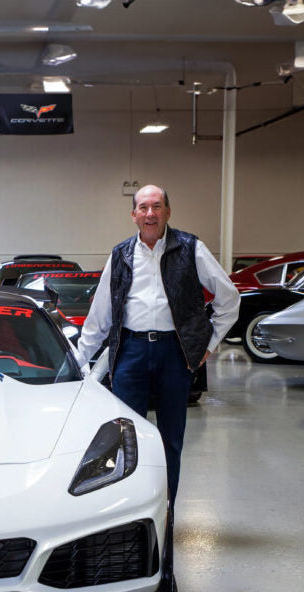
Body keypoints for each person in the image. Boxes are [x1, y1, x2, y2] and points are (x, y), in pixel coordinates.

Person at [75, 185, 240, 505]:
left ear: (167, 211)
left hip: (173, 354)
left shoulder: (191, 248)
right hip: (130, 353)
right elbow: (101, 314)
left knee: (170, 440)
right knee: (125, 438)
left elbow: (229, 299)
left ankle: (166, 508)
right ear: (134, 215)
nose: (150, 213)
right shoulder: (120, 254)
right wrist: (80, 360)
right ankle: (128, 510)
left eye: (157, 206)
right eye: (143, 207)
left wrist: (208, 343)